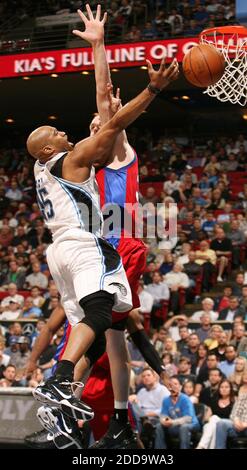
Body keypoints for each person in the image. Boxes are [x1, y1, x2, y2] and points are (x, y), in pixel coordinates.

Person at [27, 3, 179, 448]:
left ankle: (106, 413)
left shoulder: (115, 148)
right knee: (107, 334)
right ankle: (90, 409)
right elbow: (104, 101)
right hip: (95, 244)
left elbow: (107, 99)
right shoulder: (86, 155)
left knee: (111, 333)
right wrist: (99, 49)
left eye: (101, 123)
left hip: (117, 241)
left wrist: (100, 47)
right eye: (95, 123)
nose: (95, 124)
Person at [154, 377, 200, 449]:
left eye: (175, 384)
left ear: (180, 387)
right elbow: (163, 415)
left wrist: (172, 422)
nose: (173, 386)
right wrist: (164, 421)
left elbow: (188, 418)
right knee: (159, 426)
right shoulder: (166, 400)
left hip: (191, 424)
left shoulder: (185, 399)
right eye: (170, 385)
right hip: (174, 425)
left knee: (184, 427)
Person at [196, 379, 235, 449]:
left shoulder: (234, 401)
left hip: (227, 427)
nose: (224, 389)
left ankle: (201, 446)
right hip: (212, 425)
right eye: (222, 387)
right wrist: (211, 419)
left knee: (214, 419)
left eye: (226, 387)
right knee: (211, 424)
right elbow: (206, 418)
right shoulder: (214, 401)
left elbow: (234, 418)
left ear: (230, 389)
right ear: (219, 389)